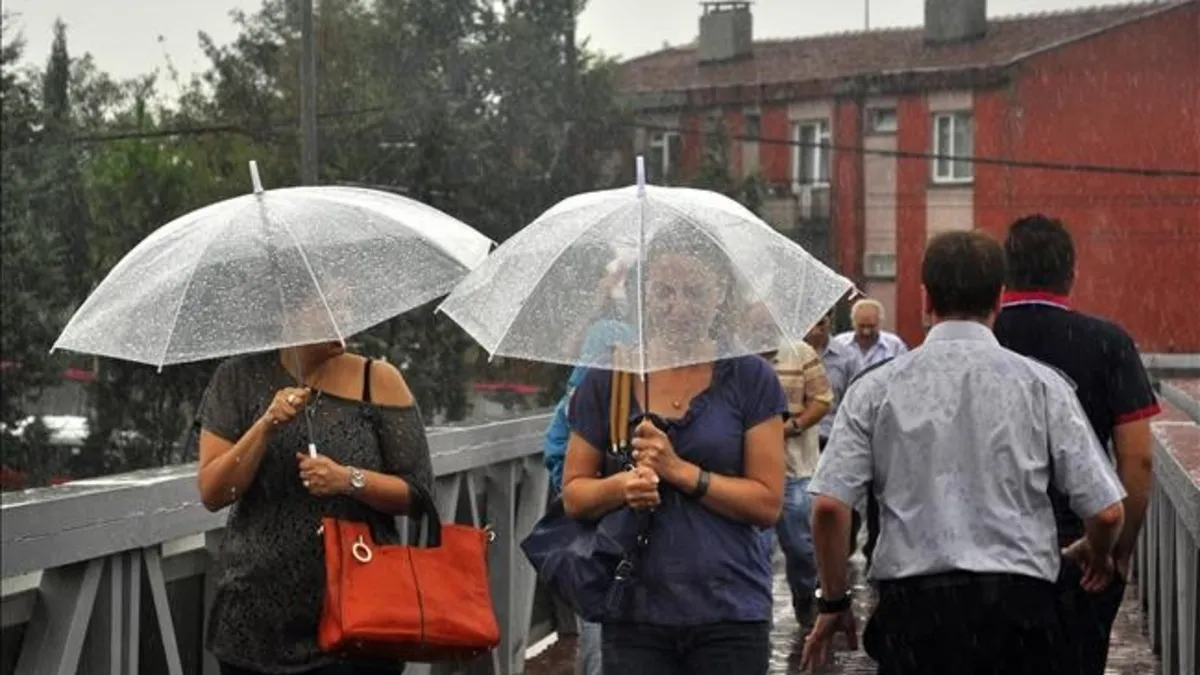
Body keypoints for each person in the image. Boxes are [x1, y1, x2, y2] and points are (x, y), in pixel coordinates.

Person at [802, 230, 1127, 674]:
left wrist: (834, 600)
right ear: (999, 298)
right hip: (1020, 610)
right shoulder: (1043, 386)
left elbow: (828, 508)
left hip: (914, 615)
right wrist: (1097, 550)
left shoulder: (874, 389)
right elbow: (1107, 513)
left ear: (926, 298)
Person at [561, 234, 788, 675]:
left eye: (695, 293)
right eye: (664, 292)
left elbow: (767, 503)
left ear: (721, 292)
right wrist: (622, 486)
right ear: (644, 293)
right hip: (634, 609)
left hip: (730, 608)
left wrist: (680, 472)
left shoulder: (750, 378)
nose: (679, 307)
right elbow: (574, 495)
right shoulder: (610, 379)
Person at [194, 336, 434, 675]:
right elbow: (214, 492)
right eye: (325, 310)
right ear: (290, 312)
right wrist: (265, 426)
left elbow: (419, 494)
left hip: (358, 621)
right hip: (254, 623)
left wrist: (348, 479)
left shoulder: (378, 381)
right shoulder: (237, 378)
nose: (340, 319)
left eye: (346, 309)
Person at [994, 214, 1160, 675]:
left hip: (987, 553)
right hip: (1080, 551)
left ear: (1005, 275)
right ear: (1071, 274)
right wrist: (1117, 551)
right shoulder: (1109, 343)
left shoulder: (979, 341)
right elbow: (1138, 460)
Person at [541, 245, 633, 675]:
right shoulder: (611, 338)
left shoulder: (608, 334)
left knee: (601, 630)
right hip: (610, 514)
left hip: (602, 509)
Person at [833, 298, 908, 373]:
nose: (866, 332)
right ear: (853, 323)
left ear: (880, 323)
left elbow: (905, 373)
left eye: (871, 326)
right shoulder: (839, 344)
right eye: (861, 326)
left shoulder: (895, 345)